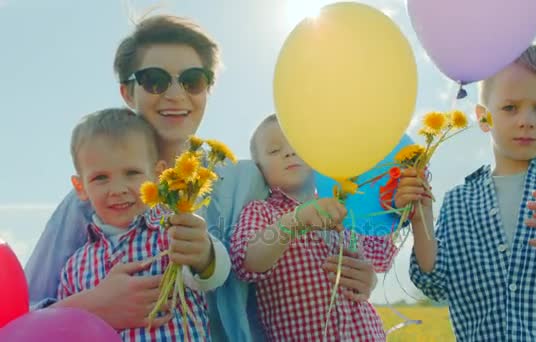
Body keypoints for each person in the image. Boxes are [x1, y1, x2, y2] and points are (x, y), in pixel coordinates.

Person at [25, 14, 380, 341]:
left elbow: (297, 232)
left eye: (193, 80)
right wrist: (93, 306)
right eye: (154, 81)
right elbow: (24, 314)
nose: (176, 95)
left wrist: (357, 271)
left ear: (208, 89)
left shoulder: (246, 179)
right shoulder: (88, 202)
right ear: (127, 92)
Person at [399, 45, 536, 340]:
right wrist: (422, 218)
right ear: (484, 118)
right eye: (510, 107)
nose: (526, 120)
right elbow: (435, 282)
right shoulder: (460, 202)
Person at [60, 108, 225, 340]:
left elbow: (214, 275)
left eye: (131, 173)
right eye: (100, 178)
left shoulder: (171, 228)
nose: (117, 189)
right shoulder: (74, 267)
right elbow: (63, 328)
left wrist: (204, 254)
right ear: (81, 187)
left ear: (157, 175)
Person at [230, 114, 398, 340]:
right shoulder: (262, 211)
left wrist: (392, 208)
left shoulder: (343, 207)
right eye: (274, 151)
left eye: (298, 145)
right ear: (260, 169)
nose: (289, 152)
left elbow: (381, 257)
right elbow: (247, 261)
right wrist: (296, 221)